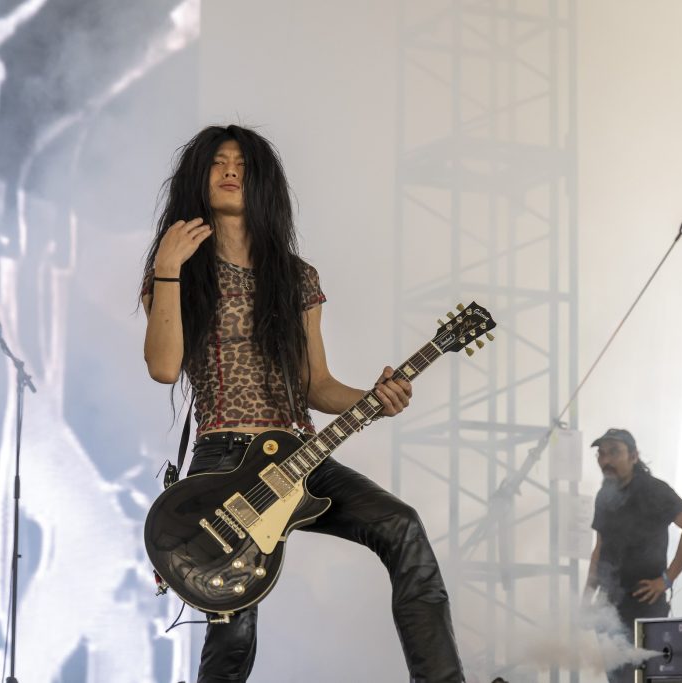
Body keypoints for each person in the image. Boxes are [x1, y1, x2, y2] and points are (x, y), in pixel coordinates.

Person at [140, 124, 464, 683]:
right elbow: (164, 368)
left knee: (401, 525)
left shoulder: (296, 277)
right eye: (218, 162)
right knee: (234, 619)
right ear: (199, 176)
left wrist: (375, 399)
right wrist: (167, 268)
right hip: (223, 461)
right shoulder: (179, 272)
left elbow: (317, 386)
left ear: (262, 181)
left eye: (243, 163)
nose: (230, 171)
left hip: (299, 453)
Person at [582, 428, 682, 683]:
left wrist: (666, 579)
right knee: (616, 677)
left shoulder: (654, 490)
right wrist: (586, 598)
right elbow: (600, 548)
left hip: (644, 602)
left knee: (641, 676)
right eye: (601, 454)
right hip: (609, 603)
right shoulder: (604, 496)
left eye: (614, 452)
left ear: (634, 456)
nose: (606, 460)